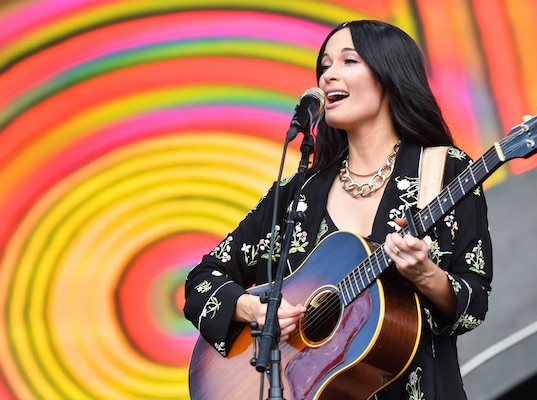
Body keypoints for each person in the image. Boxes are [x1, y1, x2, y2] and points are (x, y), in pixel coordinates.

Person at [184, 19, 493, 399]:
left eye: (348, 61)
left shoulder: (443, 171)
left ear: (389, 74)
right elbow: (203, 280)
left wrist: (425, 274)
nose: (328, 75)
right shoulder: (298, 193)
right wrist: (253, 309)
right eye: (324, 65)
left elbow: (474, 300)